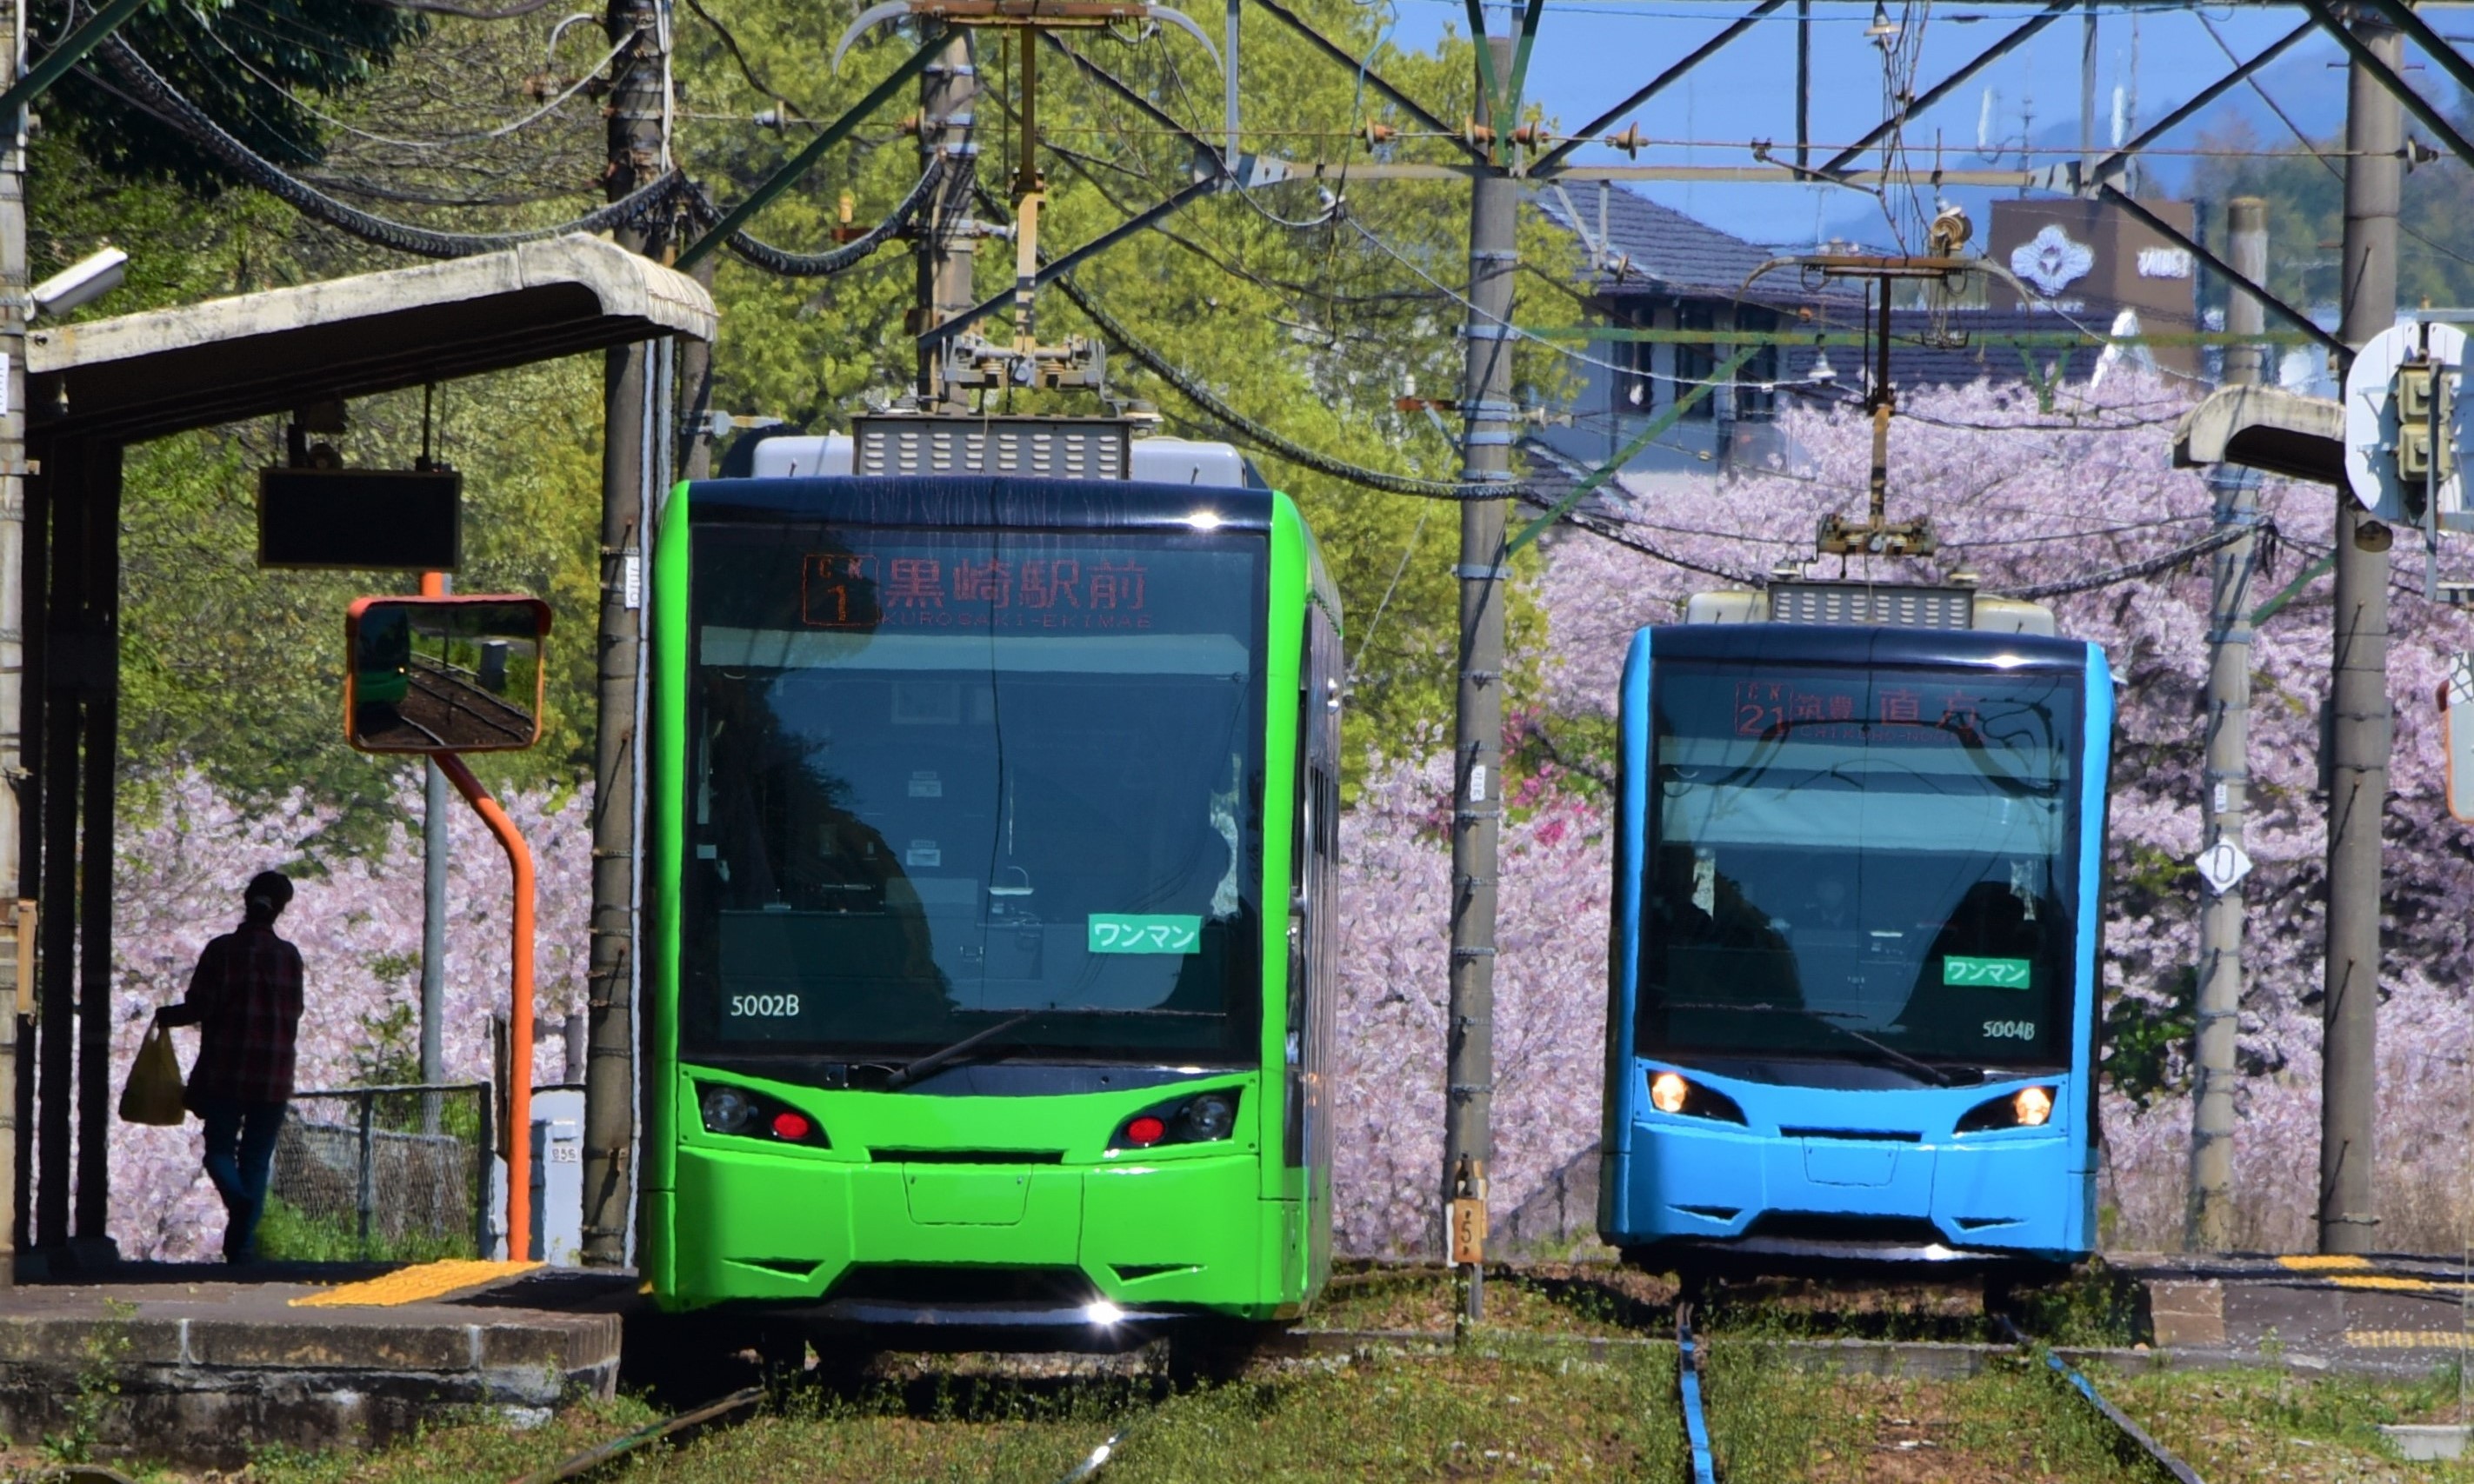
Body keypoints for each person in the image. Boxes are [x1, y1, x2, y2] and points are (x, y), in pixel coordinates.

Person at [154, 871, 304, 1264]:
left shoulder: (221, 951)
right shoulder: (289, 957)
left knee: (218, 1150)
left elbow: (200, 1006)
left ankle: (237, 1203)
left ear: (247, 900)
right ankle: (241, 1245)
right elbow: (295, 1012)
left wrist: (166, 1017)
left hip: (225, 1070)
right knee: (255, 1158)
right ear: (281, 908)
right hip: (273, 1074)